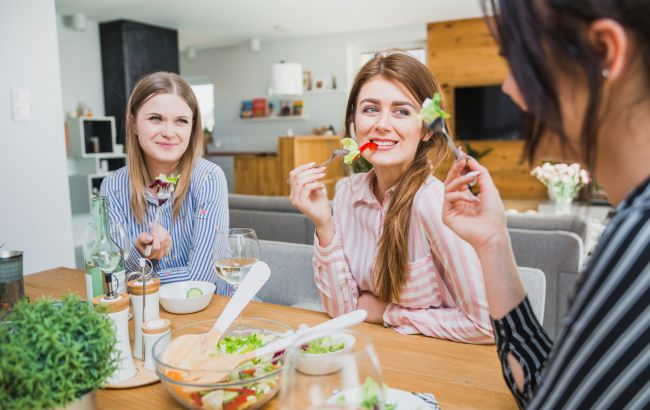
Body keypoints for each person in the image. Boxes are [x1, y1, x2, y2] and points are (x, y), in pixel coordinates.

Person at [443, 1, 650, 408]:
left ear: (603, 53)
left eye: (520, 61)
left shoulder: (640, 235)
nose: (509, 87)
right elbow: (546, 388)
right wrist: (493, 243)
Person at [289, 53, 493, 343]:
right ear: (354, 123)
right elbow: (342, 309)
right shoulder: (347, 194)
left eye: (401, 111)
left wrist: (388, 312)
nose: (382, 124)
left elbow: (487, 324)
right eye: (370, 109)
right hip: (376, 354)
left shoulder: (434, 203)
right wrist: (323, 223)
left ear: (426, 130)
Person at [101, 72, 230, 294]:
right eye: (155, 119)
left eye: (181, 121)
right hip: (144, 314)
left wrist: (141, 275)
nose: (169, 132)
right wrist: (140, 255)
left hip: (212, 311)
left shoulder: (209, 178)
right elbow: (113, 280)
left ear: (192, 127)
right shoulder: (113, 186)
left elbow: (203, 278)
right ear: (133, 124)